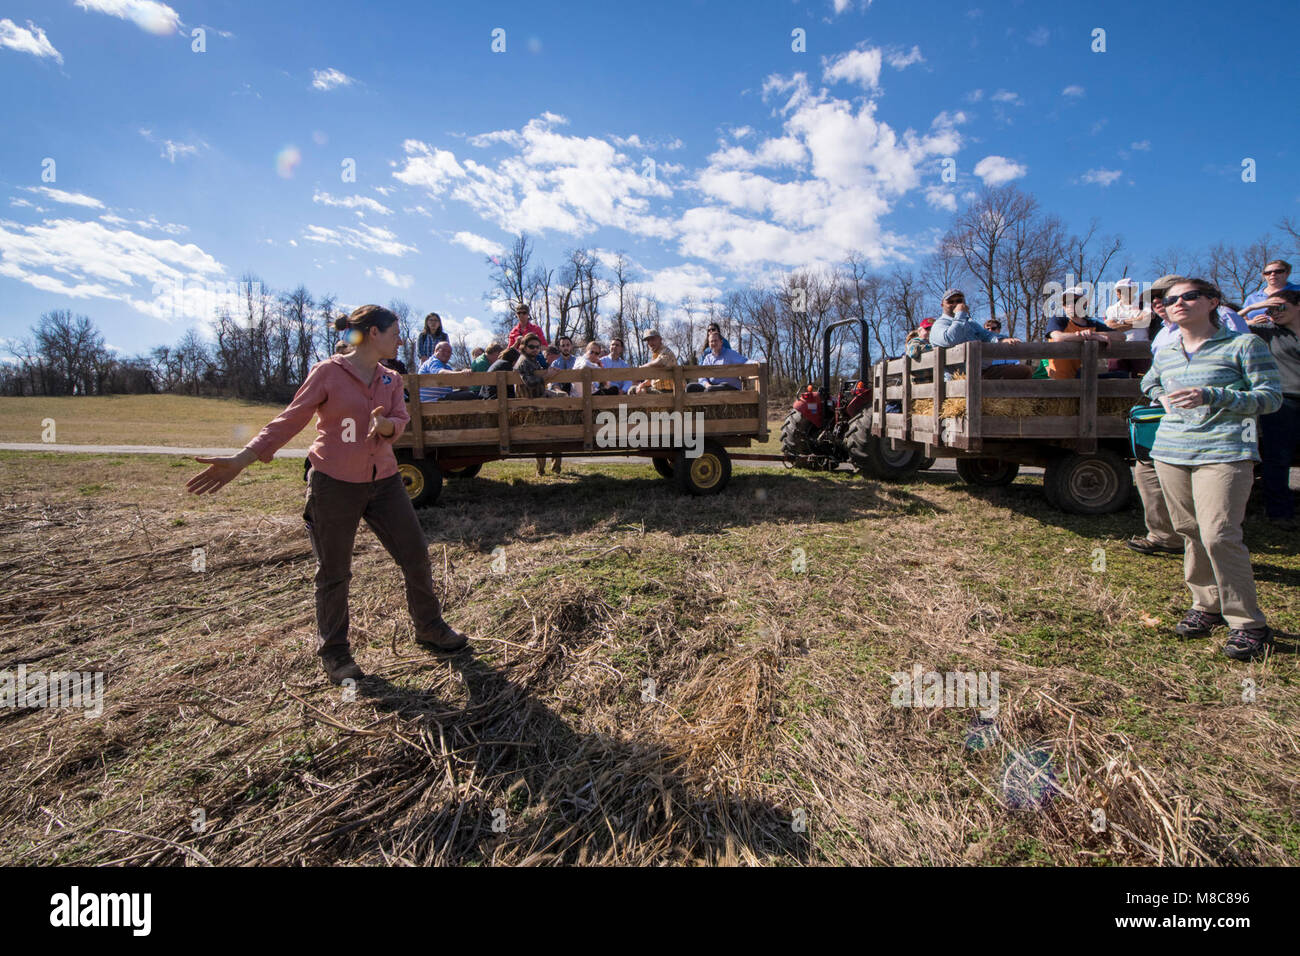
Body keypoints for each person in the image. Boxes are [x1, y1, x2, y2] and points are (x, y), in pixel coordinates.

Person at [185, 305, 470, 684]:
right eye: (394, 331)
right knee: (334, 572)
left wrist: (387, 426)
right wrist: (243, 457)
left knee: (415, 552)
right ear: (372, 333)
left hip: (384, 481)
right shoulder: (328, 373)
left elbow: (400, 422)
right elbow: (291, 418)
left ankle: (429, 627)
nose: (401, 338)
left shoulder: (391, 379)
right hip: (333, 483)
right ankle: (335, 652)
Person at [1140, 279, 1282, 661]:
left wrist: (1213, 395)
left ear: (1213, 302)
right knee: (1188, 530)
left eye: (1189, 296)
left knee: (1219, 533)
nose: (1178, 303)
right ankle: (1206, 605)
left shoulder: (1244, 344)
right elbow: (1150, 381)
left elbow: (1270, 397)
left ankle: (1249, 624)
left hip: (1225, 451)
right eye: (1171, 300)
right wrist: (1159, 396)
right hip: (1170, 450)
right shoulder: (1167, 350)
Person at [1127, 285, 1183, 556]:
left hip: (1205, 422)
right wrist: (1162, 396)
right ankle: (1164, 535)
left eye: (1169, 297)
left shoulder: (1225, 334)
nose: (1161, 303)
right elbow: (1151, 378)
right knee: (1147, 469)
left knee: (1188, 477)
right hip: (1162, 414)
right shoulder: (1162, 334)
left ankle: (1197, 539)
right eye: (1156, 300)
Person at [1249, 288, 1300, 528]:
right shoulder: (1268, 332)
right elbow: (1227, 323)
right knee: (1277, 457)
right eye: (1268, 309)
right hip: (1283, 401)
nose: (1272, 313)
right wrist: (1250, 311)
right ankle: (1279, 512)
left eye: (1279, 307)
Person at [929, 290, 1032, 378]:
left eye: (959, 301)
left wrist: (1001, 340)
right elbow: (951, 339)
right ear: (942, 305)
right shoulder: (939, 324)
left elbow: (985, 334)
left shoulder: (970, 322)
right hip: (960, 376)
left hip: (982, 370)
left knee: (1024, 371)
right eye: (950, 302)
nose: (956, 304)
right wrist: (960, 314)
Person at [1046, 286, 1123, 379]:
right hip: (1059, 380)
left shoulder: (1093, 324)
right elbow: (1058, 337)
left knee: (1122, 376)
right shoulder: (1058, 319)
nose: (1070, 305)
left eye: (1074, 302)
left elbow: (1121, 336)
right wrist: (1088, 336)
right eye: (1066, 303)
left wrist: (1093, 335)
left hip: (1085, 379)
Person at [514, 334, 563, 475]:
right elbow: (529, 383)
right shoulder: (523, 362)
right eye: (531, 347)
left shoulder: (533, 361)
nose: (535, 349)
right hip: (532, 406)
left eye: (537, 347)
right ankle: (541, 470)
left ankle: (555, 468)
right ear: (524, 346)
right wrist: (547, 376)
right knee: (546, 435)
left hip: (539, 400)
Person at [628, 329, 677, 393]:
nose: (650, 343)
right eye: (648, 340)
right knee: (636, 388)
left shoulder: (666, 351)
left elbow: (660, 362)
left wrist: (643, 367)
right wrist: (642, 385)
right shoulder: (655, 356)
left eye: (653, 339)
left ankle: (623, 403)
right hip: (659, 390)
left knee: (633, 391)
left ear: (660, 339)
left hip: (670, 392)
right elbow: (650, 380)